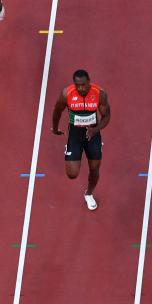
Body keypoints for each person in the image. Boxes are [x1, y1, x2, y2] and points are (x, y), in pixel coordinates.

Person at [51, 70, 110, 211]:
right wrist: (55, 128)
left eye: (83, 85)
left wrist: (96, 129)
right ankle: (74, 152)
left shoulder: (99, 93)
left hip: (93, 133)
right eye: (78, 85)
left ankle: (89, 194)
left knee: (95, 168)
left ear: (89, 81)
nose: (81, 88)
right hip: (75, 134)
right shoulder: (66, 94)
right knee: (72, 174)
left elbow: (106, 116)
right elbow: (57, 111)